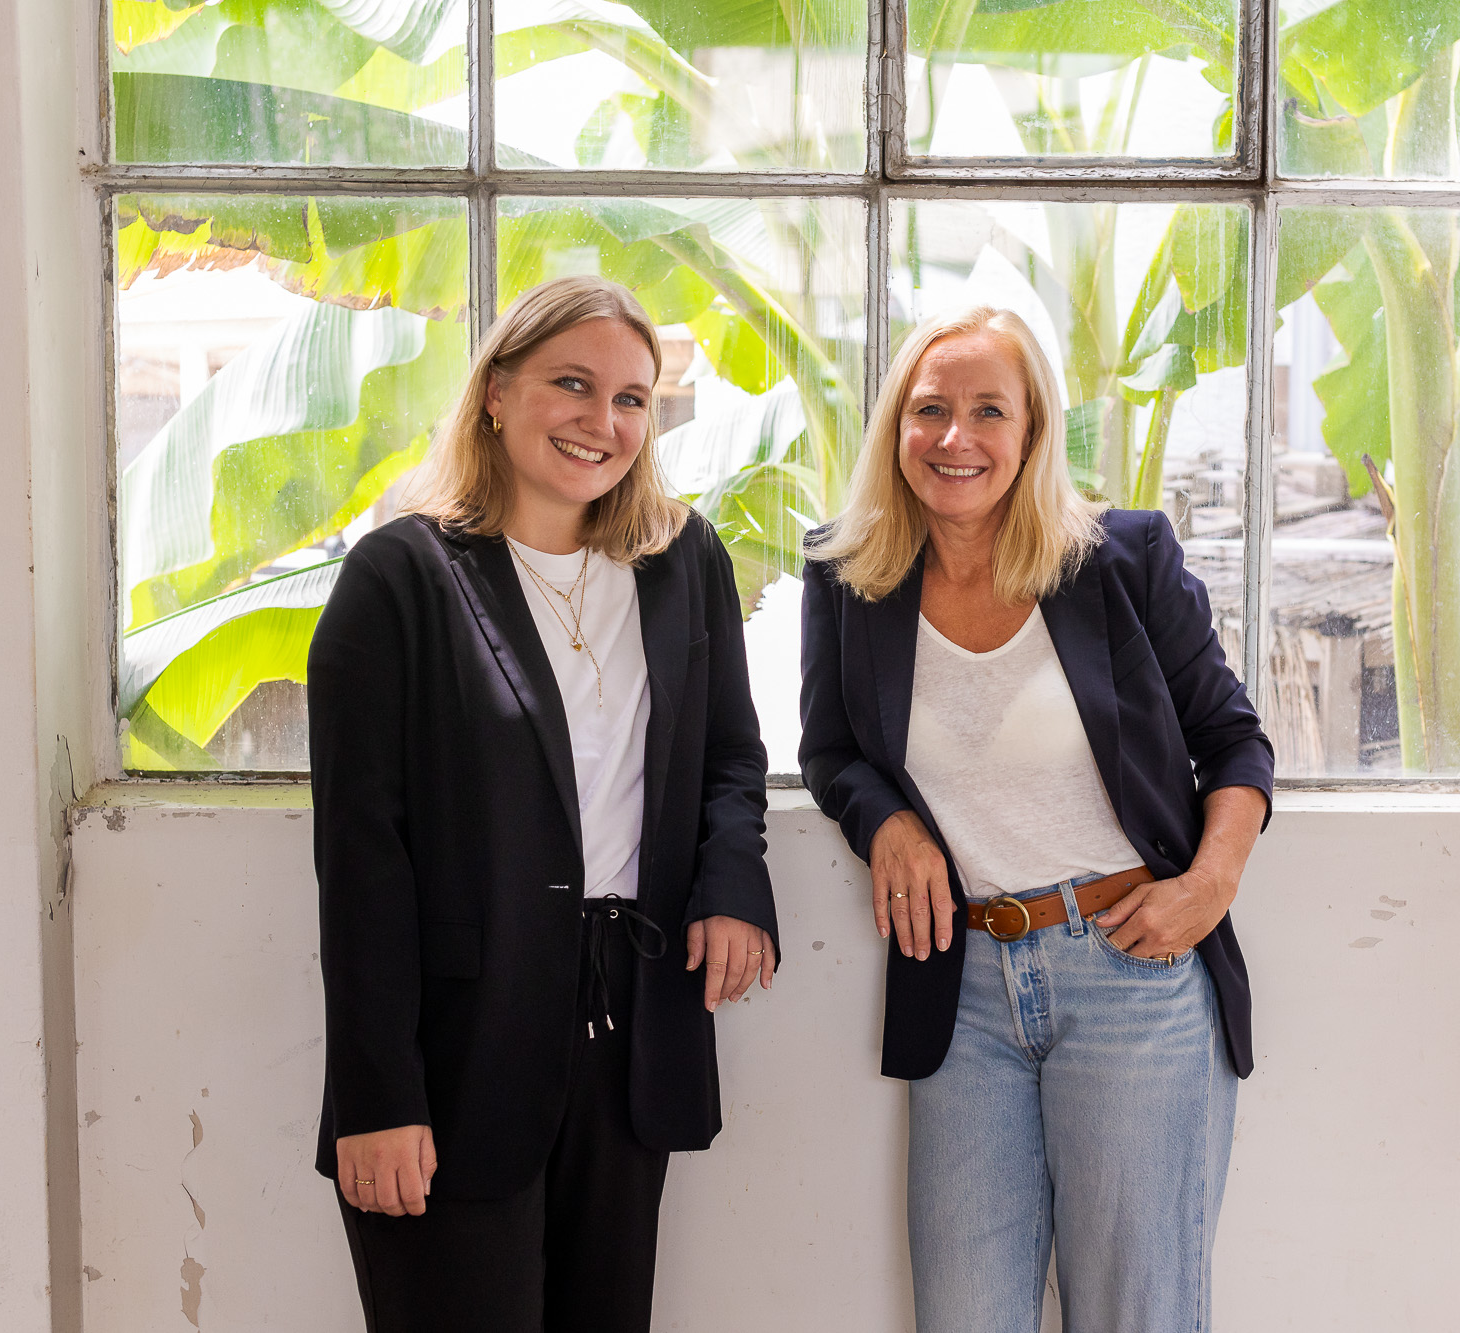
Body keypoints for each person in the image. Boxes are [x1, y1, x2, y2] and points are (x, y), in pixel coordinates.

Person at [309, 275, 779, 1333]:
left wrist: (731, 882)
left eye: (630, 398)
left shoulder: (680, 559)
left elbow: (727, 756)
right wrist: (378, 1095)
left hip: (631, 1030)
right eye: (571, 384)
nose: (602, 422)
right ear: (494, 392)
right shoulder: (400, 578)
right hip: (457, 1046)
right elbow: (360, 861)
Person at [798, 306, 1273, 1333]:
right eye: (929, 410)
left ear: (1031, 431)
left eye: (986, 412)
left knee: (1133, 1314)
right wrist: (887, 823)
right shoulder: (848, 573)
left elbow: (1233, 741)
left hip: (1130, 975)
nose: (953, 438)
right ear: (895, 427)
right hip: (959, 988)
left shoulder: (1121, 559)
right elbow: (830, 751)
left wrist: (1208, 883)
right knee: (965, 1316)